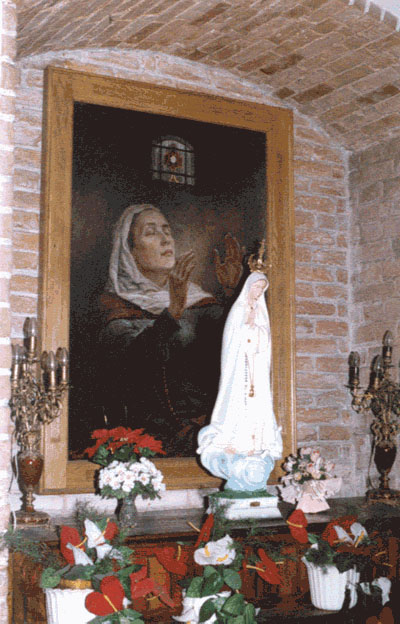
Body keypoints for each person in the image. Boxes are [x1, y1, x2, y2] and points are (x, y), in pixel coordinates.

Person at [98, 204, 242, 456]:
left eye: (167, 230)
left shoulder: (198, 299)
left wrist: (232, 294)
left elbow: (236, 351)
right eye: (151, 232)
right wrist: (172, 310)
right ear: (130, 251)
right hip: (153, 441)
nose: (165, 239)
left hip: (209, 433)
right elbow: (133, 368)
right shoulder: (116, 306)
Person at [197, 271, 282, 491]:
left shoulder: (261, 312)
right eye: (255, 287)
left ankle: (255, 445)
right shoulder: (238, 310)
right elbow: (233, 342)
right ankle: (235, 444)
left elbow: (266, 343)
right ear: (248, 287)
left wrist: (257, 331)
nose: (258, 291)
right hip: (239, 372)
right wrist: (248, 328)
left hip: (257, 371)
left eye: (262, 288)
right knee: (238, 405)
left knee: (257, 407)